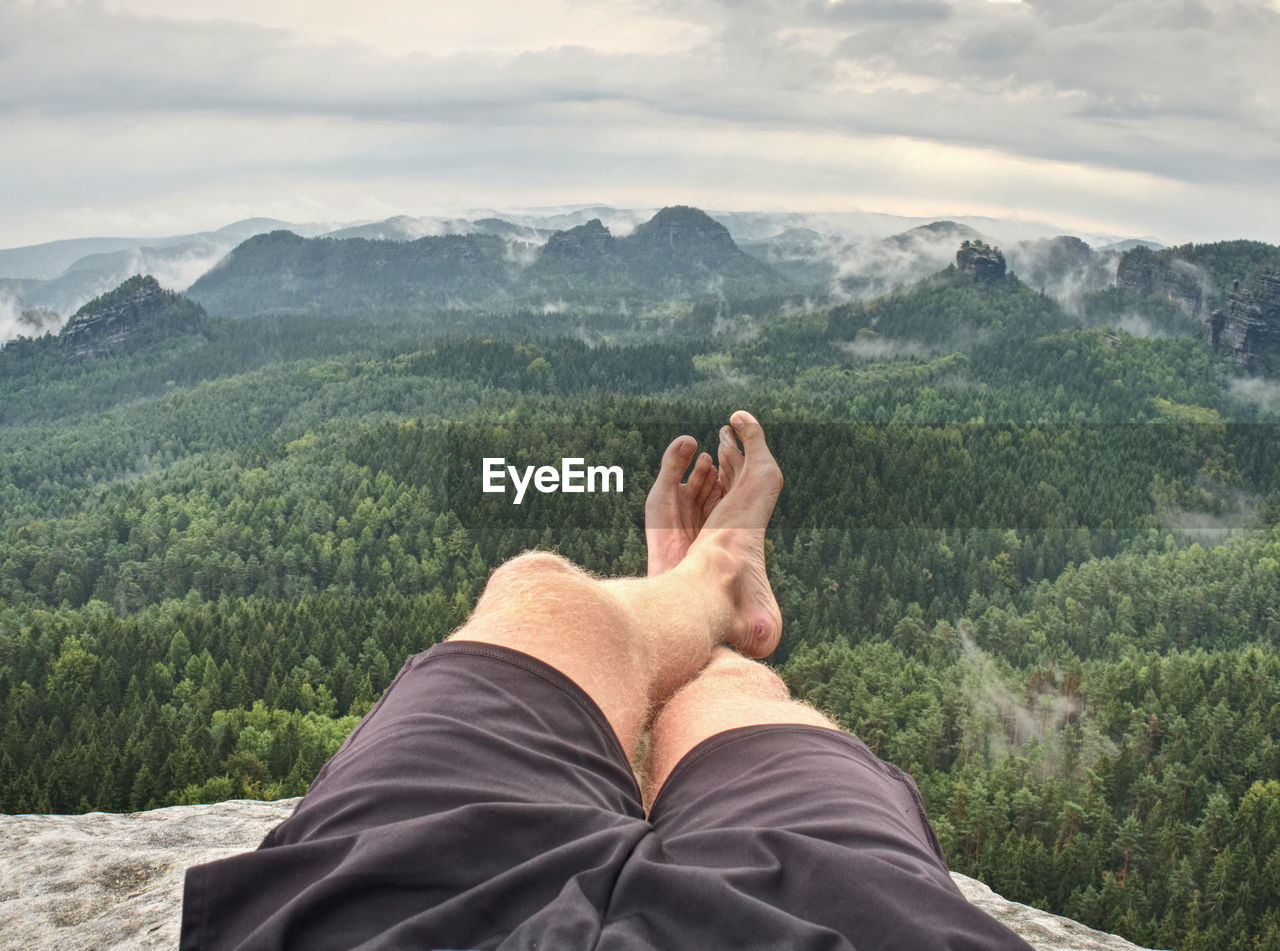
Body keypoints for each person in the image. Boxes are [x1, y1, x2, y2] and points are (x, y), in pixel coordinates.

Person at [181, 412, 1033, 950]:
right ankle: (715, 595)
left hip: (392, 919)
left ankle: (693, 585)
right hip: (839, 926)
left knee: (537, 590)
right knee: (734, 704)